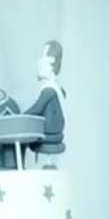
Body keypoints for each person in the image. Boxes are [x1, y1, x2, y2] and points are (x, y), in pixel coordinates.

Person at [23, 40, 66, 169]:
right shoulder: (56, 89)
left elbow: (37, 108)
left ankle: (18, 164)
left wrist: (21, 116)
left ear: (52, 63)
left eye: (44, 57)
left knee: (22, 138)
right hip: (54, 132)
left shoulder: (49, 90)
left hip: (50, 134)